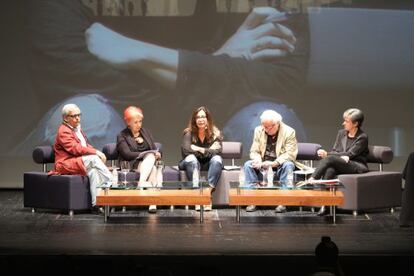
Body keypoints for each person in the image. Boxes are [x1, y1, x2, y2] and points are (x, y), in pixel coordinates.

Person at [51, 103, 113, 212]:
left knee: (94, 172)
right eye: (74, 116)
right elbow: (75, 149)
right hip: (65, 164)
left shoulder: (77, 129)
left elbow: (85, 145)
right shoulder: (63, 131)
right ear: (65, 118)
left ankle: (96, 204)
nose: (78, 118)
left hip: (77, 161)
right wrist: (96, 152)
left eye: (79, 115)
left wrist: (94, 151)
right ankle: (112, 181)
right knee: (94, 158)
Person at [243, 109, 307, 212]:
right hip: (263, 163)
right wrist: (258, 160)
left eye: (268, 127)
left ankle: (283, 201)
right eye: (263, 126)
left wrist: (274, 163)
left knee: (288, 165)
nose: (265, 129)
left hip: (279, 164)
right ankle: (252, 199)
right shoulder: (259, 130)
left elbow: (290, 154)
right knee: (248, 165)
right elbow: (254, 151)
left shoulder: (289, 132)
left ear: (277, 124)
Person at [309, 108, 369, 216]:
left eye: (346, 121)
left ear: (355, 123)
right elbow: (335, 150)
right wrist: (340, 156)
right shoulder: (341, 133)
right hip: (342, 162)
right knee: (329, 169)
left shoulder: (362, 137)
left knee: (330, 158)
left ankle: (313, 179)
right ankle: (326, 204)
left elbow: (350, 155)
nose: (343, 123)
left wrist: (329, 154)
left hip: (356, 165)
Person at [116, 106, 161, 213]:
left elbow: (154, 149)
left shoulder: (146, 132)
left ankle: (143, 188)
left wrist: (157, 154)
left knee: (153, 165)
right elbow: (126, 154)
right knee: (151, 162)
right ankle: (151, 201)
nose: (139, 125)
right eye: (135, 122)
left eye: (140, 121)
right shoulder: (122, 135)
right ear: (128, 123)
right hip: (131, 163)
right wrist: (143, 154)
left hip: (146, 164)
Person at [178, 106, 223, 211]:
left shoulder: (215, 133)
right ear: (194, 120)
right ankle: (198, 195)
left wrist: (198, 149)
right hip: (191, 163)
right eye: (198, 117)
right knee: (191, 158)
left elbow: (218, 152)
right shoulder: (188, 133)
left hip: (207, 163)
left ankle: (207, 193)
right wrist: (208, 151)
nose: (200, 119)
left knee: (217, 160)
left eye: (203, 117)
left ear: (208, 119)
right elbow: (186, 151)